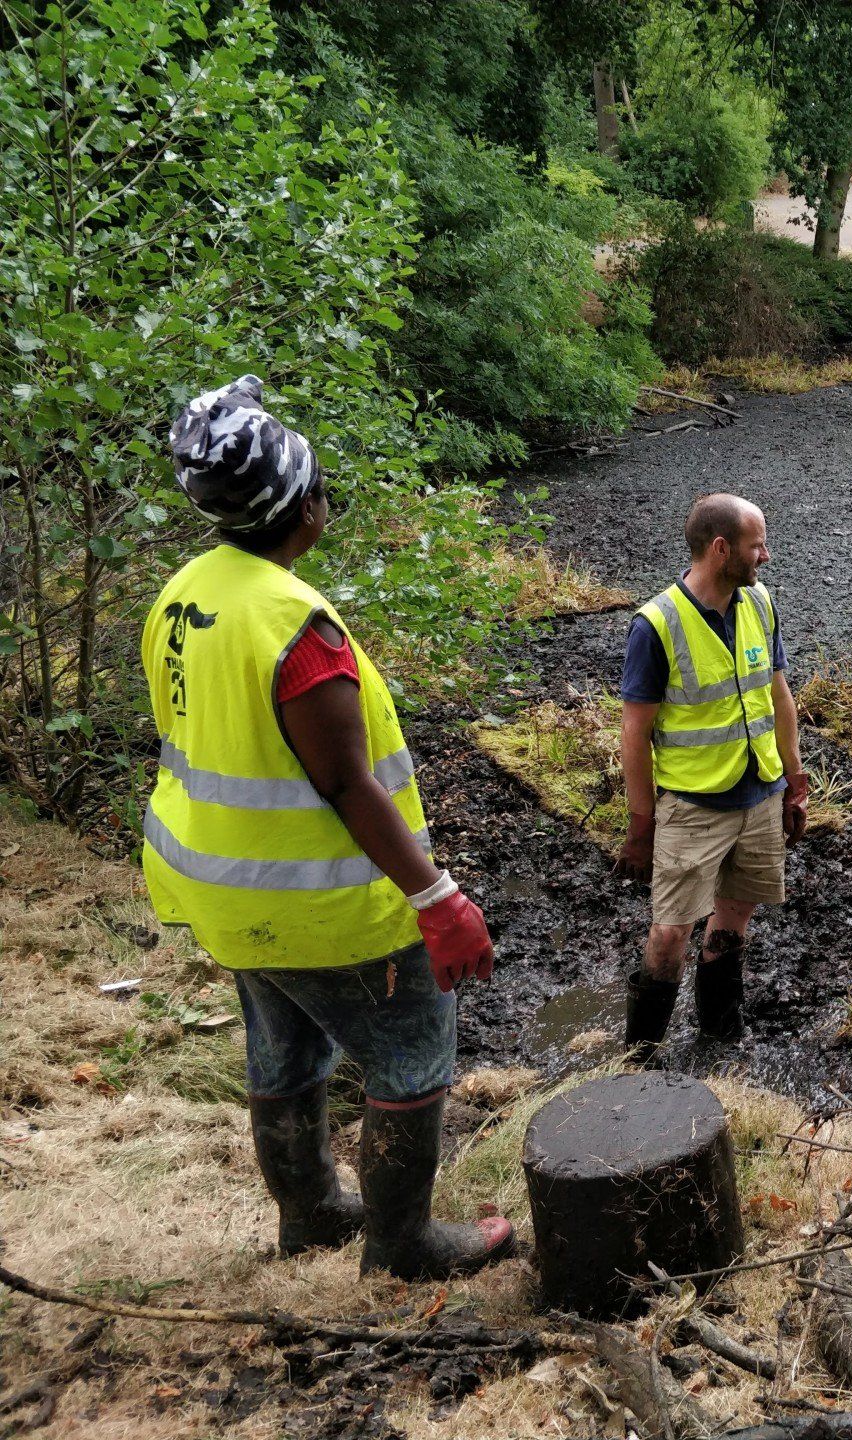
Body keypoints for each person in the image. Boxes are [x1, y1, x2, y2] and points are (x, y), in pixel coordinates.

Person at [141, 375, 512, 1280]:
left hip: (227, 893)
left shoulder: (186, 593)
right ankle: (402, 1248)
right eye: (318, 487)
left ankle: (309, 1215)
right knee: (412, 1058)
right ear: (301, 509)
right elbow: (347, 784)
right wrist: (438, 896)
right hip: (326, 907)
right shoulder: (296, 628)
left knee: (283, 1045)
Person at [615, 494, 808, 1061]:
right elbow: (634, 733)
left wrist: (794, 781)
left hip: (759, 795)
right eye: (756, 546)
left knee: (733, 922)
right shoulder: (656, 625)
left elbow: (778, 696)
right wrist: (641, 824)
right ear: (721, 549)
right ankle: (641, 1056)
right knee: (671, 932)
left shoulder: (759, 603)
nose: (766, 556)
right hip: (693, 807)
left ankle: (719, 1037)